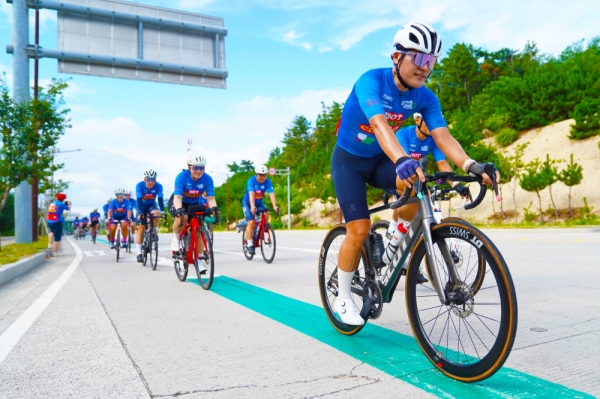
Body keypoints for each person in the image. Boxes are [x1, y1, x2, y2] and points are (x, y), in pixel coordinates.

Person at [331, 22, 499, 326]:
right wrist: (401, 158)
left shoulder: (424, 97)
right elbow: (380, 126)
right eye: (419, 59)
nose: (425, 68)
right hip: (349, 162)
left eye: (431, 62)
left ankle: (395, 243)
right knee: (357, 229)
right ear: (397, 57)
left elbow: (443, 137)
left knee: (418, 180)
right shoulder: (371, 81)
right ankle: (343, 297)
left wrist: (471, 165)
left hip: (380, 160)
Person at [169, 151, 219, 267]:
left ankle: (199, 261)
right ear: (189, 167)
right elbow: (177, 197)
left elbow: (211, 198)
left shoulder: (207, 179)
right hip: (179, 202)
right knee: (182, 217)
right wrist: (179, 210)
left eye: (202, 168)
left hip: (194, 203)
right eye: (195, 168)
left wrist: (214, 208)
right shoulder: (181, 177)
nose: (199, 171)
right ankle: (176, 238)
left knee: (198, 231)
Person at [241, 165, 279, 255]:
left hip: (259, 203)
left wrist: (274, 206)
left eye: (264, 175)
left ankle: (262, 228)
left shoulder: (268, 181)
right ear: (256, 174)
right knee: (251, 222)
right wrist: (252, 206)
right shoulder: (251, 181)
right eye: (261, 175)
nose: (263, 177)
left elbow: (271, 193)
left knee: (266, 214)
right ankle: (250, 244)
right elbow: (251, 194)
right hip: (248, 203)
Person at [135, 169, 165, 263]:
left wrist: (163, 211)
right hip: (141, 207)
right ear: (145, 179)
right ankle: (139, 252)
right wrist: (140, 212)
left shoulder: (159, 186)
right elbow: (139, 200)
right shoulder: (139, 185)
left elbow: (160, 199)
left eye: (153, 180)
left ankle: (153, 231)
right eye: (149, 180)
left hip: (152, 206)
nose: (151, 182)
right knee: (141, 227)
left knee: (156, 214)